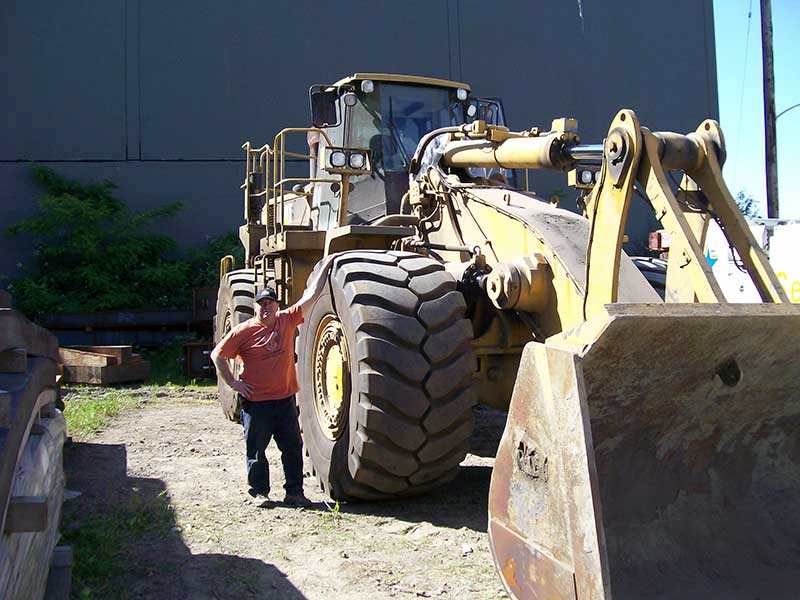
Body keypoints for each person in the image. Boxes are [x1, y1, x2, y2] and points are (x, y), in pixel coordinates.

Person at [211, 254, 337, 506]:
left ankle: (295, 492)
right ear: (255, 307)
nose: (266, 307)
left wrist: (326, 265)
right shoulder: (243, 331)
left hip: (285, 401)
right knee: (256, 451)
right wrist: (233, 384)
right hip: (257, 404)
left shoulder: (287, 320)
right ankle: (259, 492)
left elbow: (310, 296)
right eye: (261, 303)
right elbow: (218, 355)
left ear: (277, 306)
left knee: (292, 448)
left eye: (270, 302)